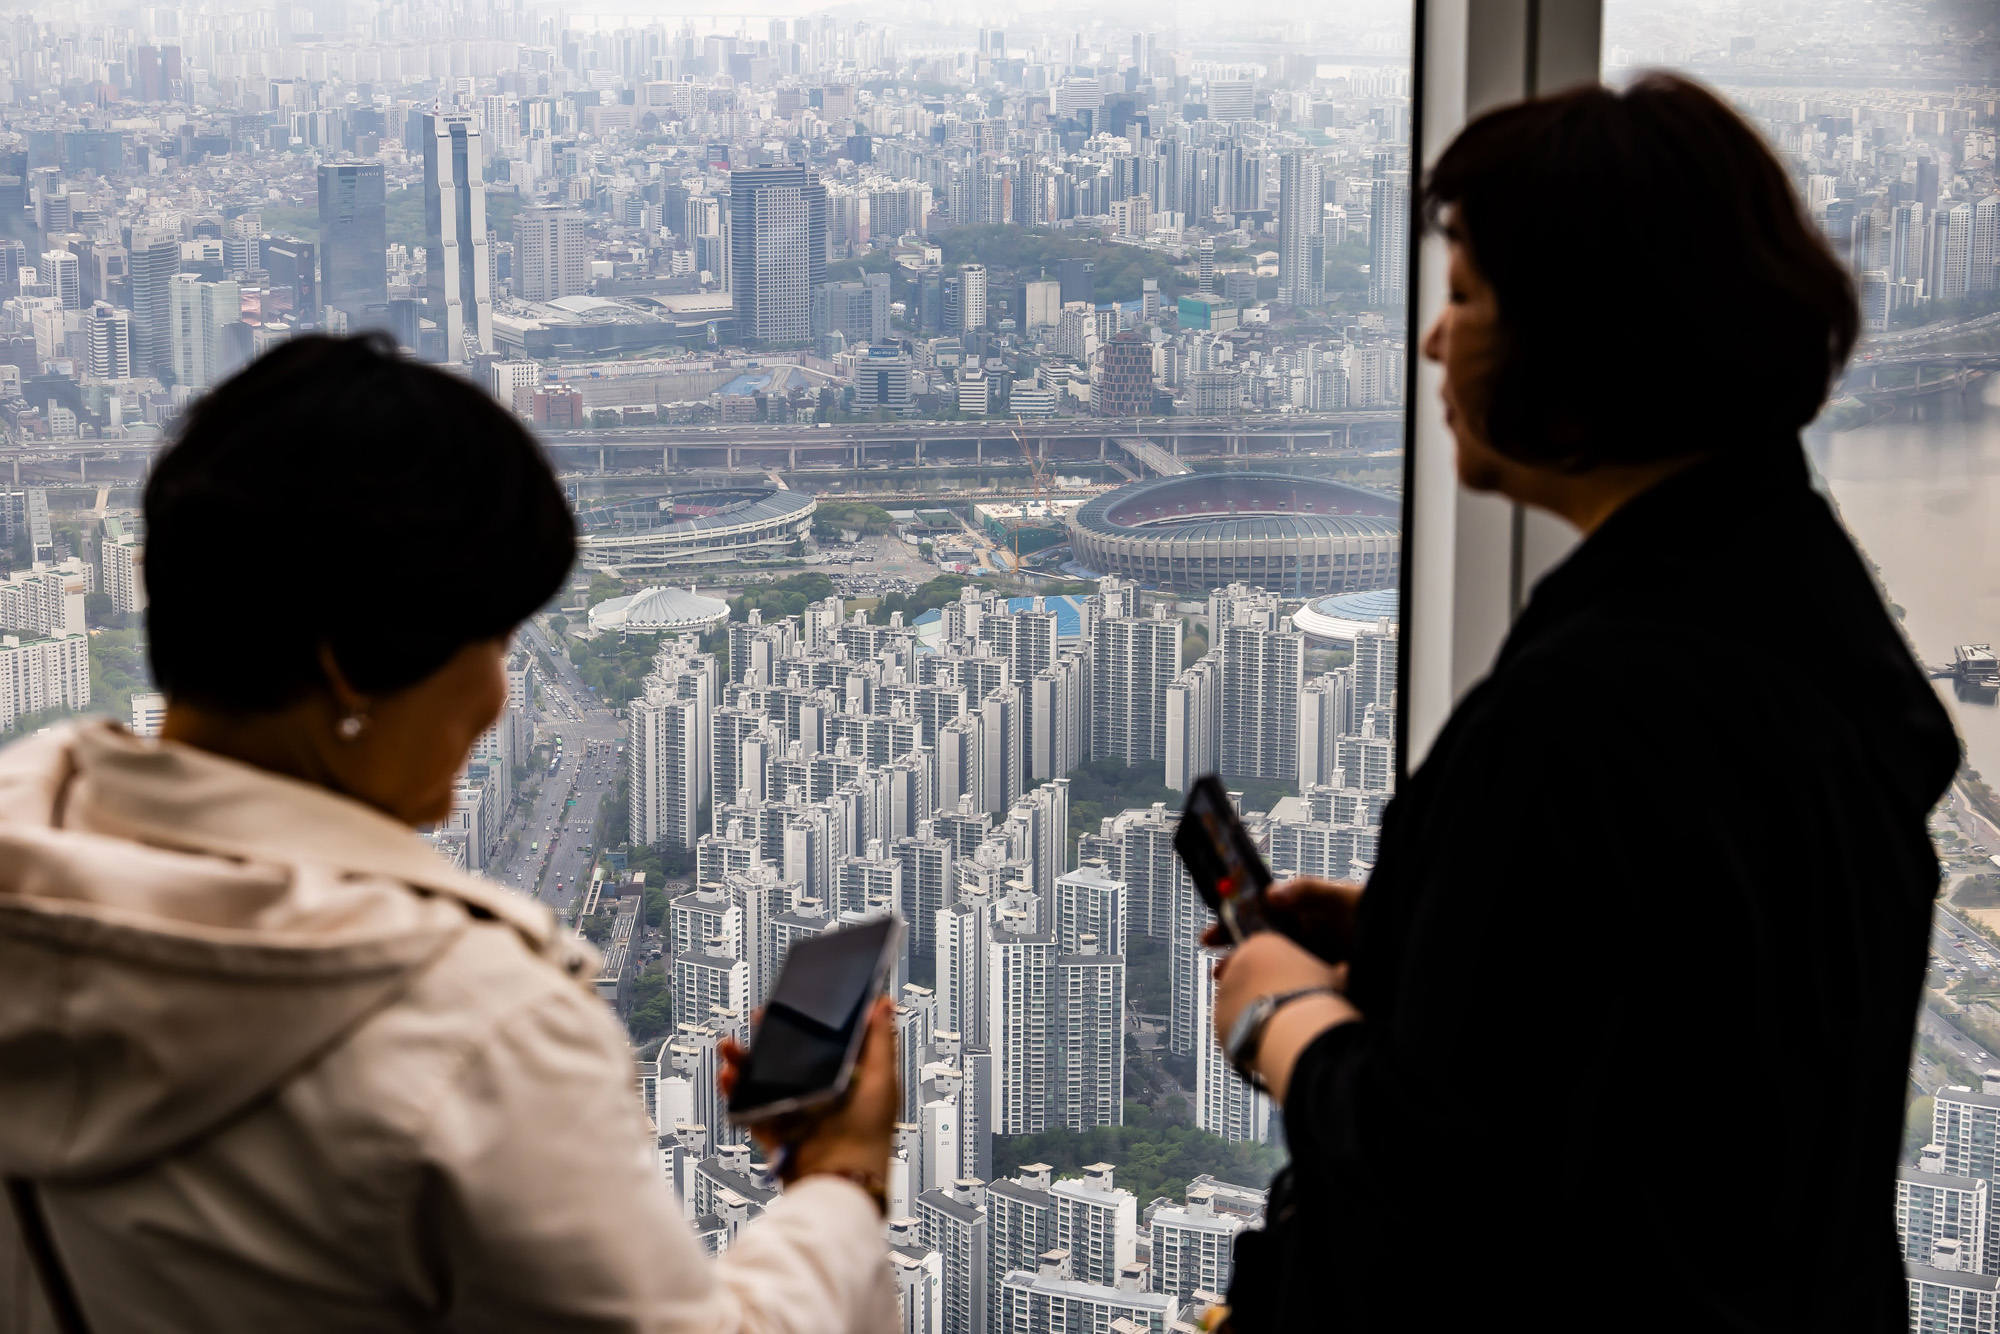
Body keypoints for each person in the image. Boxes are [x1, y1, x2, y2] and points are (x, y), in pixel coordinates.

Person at [1210, 74, 1958, 1330]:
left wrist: (1281, 1023)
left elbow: (1446, 1176)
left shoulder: (1583, 714)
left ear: (1584, 343)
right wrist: (1418, 932)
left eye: (1463, 299)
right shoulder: (1800, 604)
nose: (1430, 341)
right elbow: (1670, 1008)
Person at [0, 335, 899, 1333]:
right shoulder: (472, 1026)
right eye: (496, 641)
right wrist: (839, 1181)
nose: (497, 695)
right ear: (349, 664)